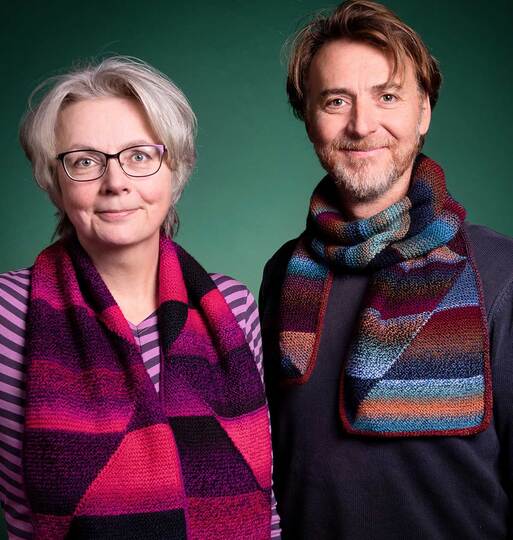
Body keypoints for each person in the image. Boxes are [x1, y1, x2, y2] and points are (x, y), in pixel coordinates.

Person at [259, 1, 513, 538]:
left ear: (423, 113)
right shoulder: (284, 273)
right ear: (308, 119)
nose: (361, 124)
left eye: (388, 97)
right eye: (336, 101)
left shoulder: (500, 272)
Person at [0, 56, 279, 539]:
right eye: (84, 161)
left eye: (140, 155)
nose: (116, 183)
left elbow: (267, 504)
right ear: (54, 182)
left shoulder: (233, 307)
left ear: (175, 169)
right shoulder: (11, 312)